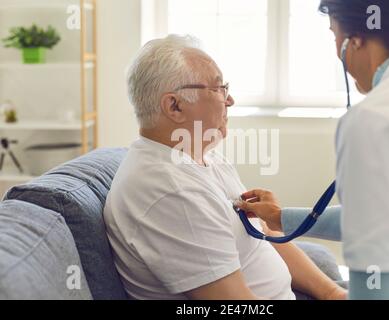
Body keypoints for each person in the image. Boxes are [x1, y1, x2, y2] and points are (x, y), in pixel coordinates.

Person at [103, 35, 347, 300]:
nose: (230, 100)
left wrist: (333, 294)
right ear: (174, 106)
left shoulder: (203, 157)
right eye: (219, 89)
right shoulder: (170, 192)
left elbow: (265, 235)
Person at [235, 0, 389, 300]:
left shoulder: (376, 118)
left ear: (355, 39)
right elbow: (377, 215)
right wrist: (281, 218)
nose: (338, 53)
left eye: (334, 35)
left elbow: (376, 285)